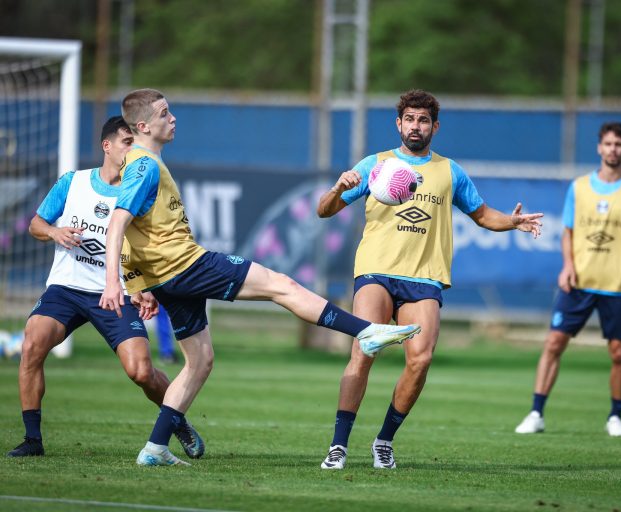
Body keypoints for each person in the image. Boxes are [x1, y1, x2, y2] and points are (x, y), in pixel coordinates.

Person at [98, 88, 421, 467]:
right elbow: (117, 223)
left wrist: (141, 284)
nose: (173, 119)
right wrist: (114, 283)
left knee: (199, 361)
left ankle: (154, 448)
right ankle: (366, 331)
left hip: (165, 277)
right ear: (143, 125)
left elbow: (132, 232)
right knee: (281, 285)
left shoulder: (141, 163)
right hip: (185, 265)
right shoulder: (143, 165)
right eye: (165, 113)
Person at [316, 89, 544, 469]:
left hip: (424, 279)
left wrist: (513, 221)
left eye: (423, 120)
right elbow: (324, 210)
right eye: (409, 119)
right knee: (363, 351)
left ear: (434, 126)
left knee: (420, 361)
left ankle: (384, 441)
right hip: (376, 270)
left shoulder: (449, 171)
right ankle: (338, 446)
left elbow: (483, 214)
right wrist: (339, 187)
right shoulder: (377, 165)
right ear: (398, 123)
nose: (416, 126)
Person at [7, 116, 204, 458]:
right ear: (107, 146)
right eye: (128, 143)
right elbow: (36, 224)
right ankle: (32, 440)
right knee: (31, 346)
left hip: (116, 293)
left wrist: (145, 288)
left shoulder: (140, 187)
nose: (134, 149)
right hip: (66, 289)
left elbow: (153, 246)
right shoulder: (73, 183)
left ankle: (177, 420)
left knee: (141, 371)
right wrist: (54, 232)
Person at [514, 121, 621, 438]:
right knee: (553, 343)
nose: (612, 149)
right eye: (607, 144)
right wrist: (567, 266)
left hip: (617, 285)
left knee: (619, 353)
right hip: (578, 283)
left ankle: (615, 416)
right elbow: (568, 232)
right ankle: (536, 412)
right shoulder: (579, 188)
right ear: (598, 148)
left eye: (618, 144)